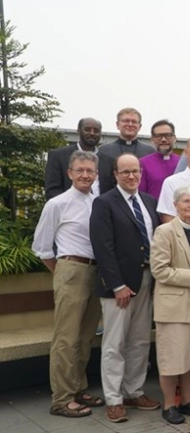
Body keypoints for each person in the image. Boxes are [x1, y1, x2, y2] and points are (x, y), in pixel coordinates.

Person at [90, 153, 161, 423]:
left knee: (140, 340)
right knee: (114, 343)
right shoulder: (104, 203)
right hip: (119, 286)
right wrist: (117, 285)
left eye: (136, 171)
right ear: (115, 175)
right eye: (126, 172)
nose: (132, 176)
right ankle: (114, 399)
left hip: (146, 280)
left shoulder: (149, 202)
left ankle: (134, 391)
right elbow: (103, 248)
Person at [33, 150, 104, 418]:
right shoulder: (57, 204)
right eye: (80, 170)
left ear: (96, 175)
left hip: (96, 272)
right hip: (71, 269)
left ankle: (78, 388)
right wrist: (63, 272)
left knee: (86, 336)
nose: (85, 174)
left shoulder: (97, 202)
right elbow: (41, 248)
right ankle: (61, 399)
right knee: (66, 337)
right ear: (70, 173)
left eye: (90, 170)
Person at [150, 185, 190, 424]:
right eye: (186, 201)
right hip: (174, 305)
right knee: (171, 358)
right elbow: (159, 270)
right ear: (175, 205)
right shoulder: (164, 231)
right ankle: (169, 405)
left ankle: (187, 401)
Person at [98, 108, 155, 193]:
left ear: (140, 126)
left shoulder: (150, 151)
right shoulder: (103, 150)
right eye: (126, 121)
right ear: (117, 124)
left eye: (134, 122)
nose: (130, 124)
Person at [45, 118, 102, 199]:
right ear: (78, 130)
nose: (92, 133)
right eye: (87, 129)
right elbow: (52, 191)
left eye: (96, 130)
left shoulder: (109, 160)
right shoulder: (58, 156)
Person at [139, 119, 181, 200]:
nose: (163, 139)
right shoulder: (142, 164)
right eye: (158, 136)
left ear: (174, 138)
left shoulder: (183, 163)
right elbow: (141, 194)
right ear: (152, 140)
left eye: (168, 135)